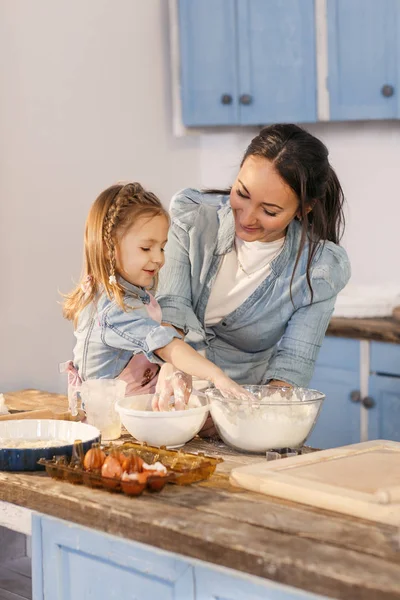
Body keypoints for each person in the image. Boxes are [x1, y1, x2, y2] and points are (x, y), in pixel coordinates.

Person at [157, 123, 351, 419]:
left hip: (243, 418)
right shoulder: (192, 218)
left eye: (269, 211)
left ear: (304, 209)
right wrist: (171, 369)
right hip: (167, 405)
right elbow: (172, 307)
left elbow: (293, 366)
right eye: (241, 194)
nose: (247, 217)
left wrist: (249, 415)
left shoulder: (319, 269)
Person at [61, 182, 245, 412]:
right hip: (109, 421)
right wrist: (217, 376)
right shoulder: (113, 310)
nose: (159, 258)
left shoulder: (135, 293)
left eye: (162, 247)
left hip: (134, 408)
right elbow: (166, 346)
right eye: (147, 248)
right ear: (109, 248)